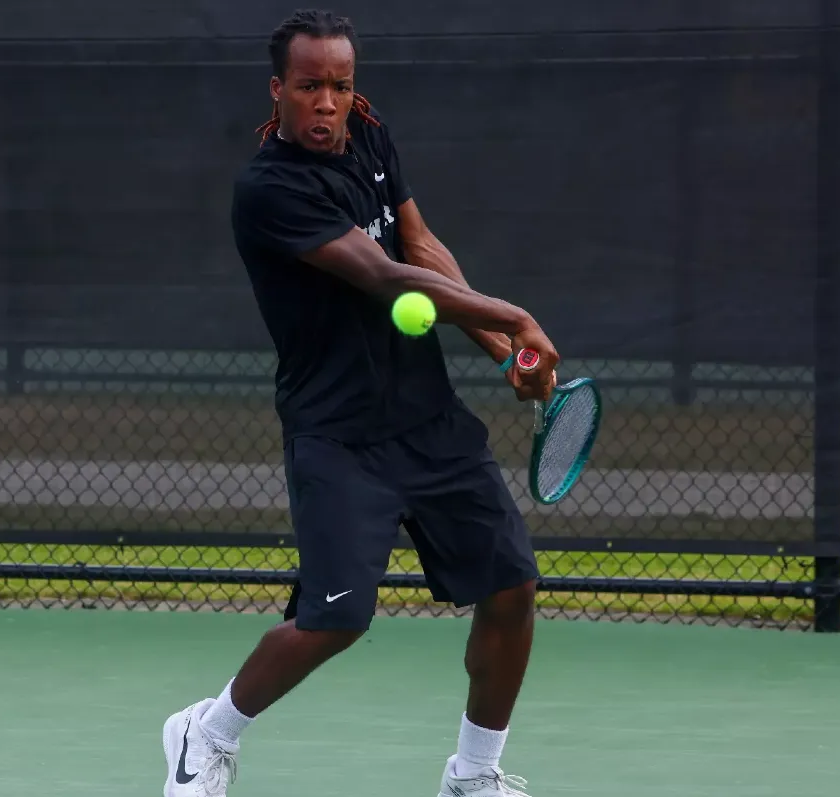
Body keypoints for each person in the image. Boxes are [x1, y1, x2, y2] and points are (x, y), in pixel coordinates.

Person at [161, 9, 560, 797]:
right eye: (309, 86)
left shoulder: (370, 137)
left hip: (429, 419)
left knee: (512, 589)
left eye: (340, 86)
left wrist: (499, 350)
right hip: (338, 435)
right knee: (336, 618)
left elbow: (421, 246)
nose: (327, 102)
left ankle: (472, 776)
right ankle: (206, 733)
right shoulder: (269, 189)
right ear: (278, 90)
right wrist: (515, 317)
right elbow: (382, 275)